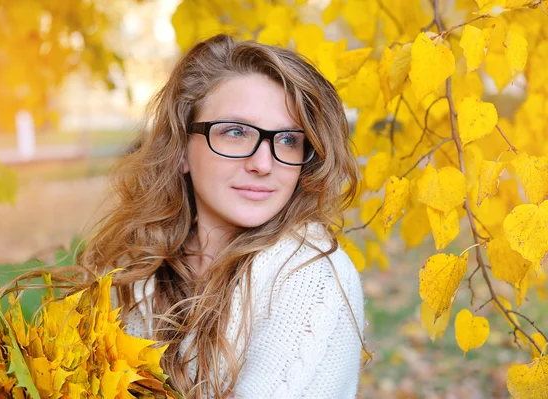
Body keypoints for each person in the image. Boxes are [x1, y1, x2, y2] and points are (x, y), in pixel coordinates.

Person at [78, 33, 366, 399]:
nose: (264, 163)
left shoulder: (309, 275)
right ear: (180, 151)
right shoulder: (135, 271)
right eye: (235, 132)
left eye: (289, 139)